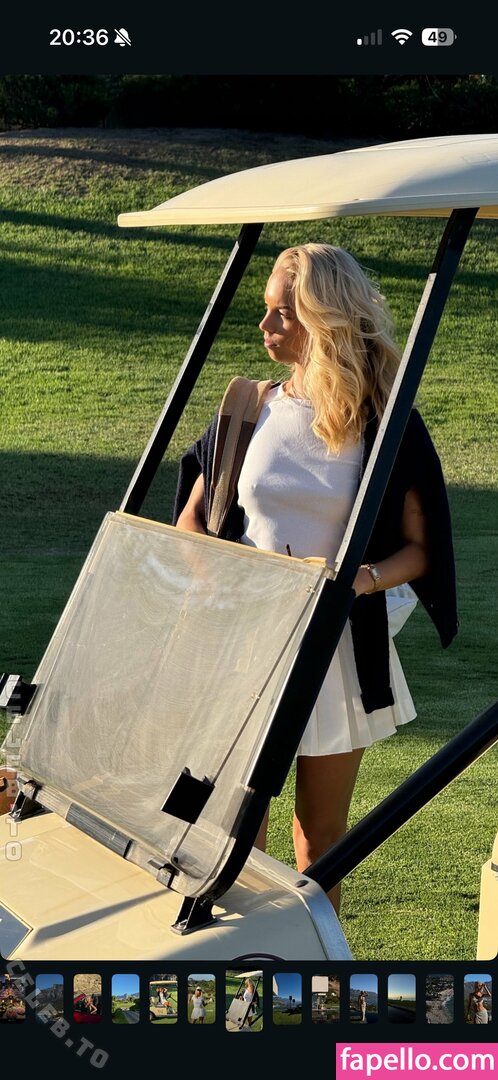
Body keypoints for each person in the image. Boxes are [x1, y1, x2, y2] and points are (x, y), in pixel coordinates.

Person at [174, 243, 458, 914]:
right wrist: (223, 580)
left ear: (324, 317)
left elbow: (422, 551)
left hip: (336, 648)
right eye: (266, 310)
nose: (265, 326)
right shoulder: (248, 406)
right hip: (242, 642)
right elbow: (191, 519)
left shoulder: (385, 422)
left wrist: (358, 580)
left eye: (283, 313)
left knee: (321, 838)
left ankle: (314, 968)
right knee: (232, 829)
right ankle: (239, 959)